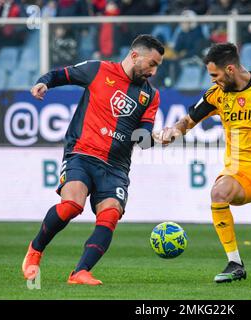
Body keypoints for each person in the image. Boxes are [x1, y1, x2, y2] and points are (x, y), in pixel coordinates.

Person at [154, 43, 251, 287]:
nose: (213, 81)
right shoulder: (215, 95)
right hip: (240, 170)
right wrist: (173, 131)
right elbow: (188, 120)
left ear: (230, 69)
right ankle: (235, 264)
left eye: (215, 75)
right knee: (218, 192)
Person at [22, 34, 164, 286]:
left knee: (109, 215)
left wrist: (158, 138)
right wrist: (43, 83)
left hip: (116, 166)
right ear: (134, 55)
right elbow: (60, 75)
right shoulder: (97, 69)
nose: (153, 71)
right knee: (71, 206)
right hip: (82, 153)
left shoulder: (150, 96)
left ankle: (79, 272)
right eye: (151, 64)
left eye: (157, 66)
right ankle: (34, 251)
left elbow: (141, 137)